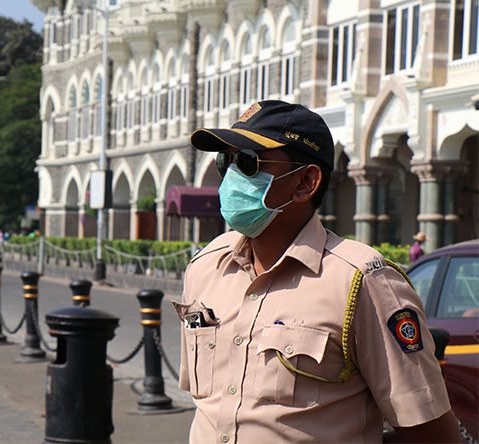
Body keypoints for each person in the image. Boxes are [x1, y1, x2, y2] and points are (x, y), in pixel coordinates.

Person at [176, 100, 460, 443]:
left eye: (248, 163)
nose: (232, 176)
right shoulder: (206, 266)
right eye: (227, 161)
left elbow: (430, 431)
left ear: (306, 182)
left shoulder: (361, 281)